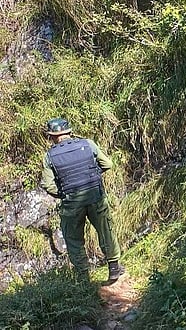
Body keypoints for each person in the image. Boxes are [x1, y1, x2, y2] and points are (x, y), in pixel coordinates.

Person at [39, 118, 125, 283]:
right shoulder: (88, 144)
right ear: (70, 132)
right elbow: (108, 164)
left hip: (71, 203)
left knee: (74, 240)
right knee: (106, 230)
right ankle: (114, 268)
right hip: (95, 197)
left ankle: (84, 279)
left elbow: (48, 185)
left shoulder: (49, 156)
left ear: (52, 136)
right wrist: (93, 176)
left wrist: (63, 193)